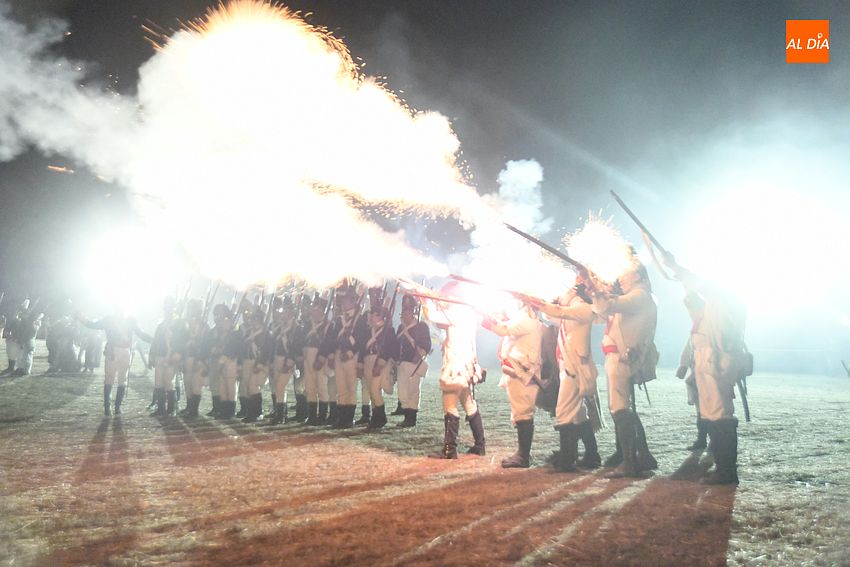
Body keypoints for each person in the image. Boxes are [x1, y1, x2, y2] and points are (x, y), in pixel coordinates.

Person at [669, 261, 748, 485]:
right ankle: (723, 469)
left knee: (720, 415)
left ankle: (726, 472)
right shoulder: (715, 302)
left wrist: (679, 269)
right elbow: (696, 297)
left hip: (718, 361)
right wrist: (682, 277)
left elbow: (704, 289)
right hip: (710, 361)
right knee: (713, 415)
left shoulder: (726, 299)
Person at [592, 265, 659, 478]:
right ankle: (641, 456)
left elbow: (610, 305)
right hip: (619, 358)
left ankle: (630, 463)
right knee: (622, 409)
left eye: (625, 273)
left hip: (622, 359)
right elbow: (602, 310)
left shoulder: (639, 296)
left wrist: (594, 286)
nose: (620, 277)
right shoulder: (637, 296)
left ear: (638, 275)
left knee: (620, 409)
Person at [533, 280, 602, 472]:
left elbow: (559, 312)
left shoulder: (582, 308)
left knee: (564, 412)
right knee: (578, 415)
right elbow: (551, 315)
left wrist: (543, 303)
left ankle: (567, 458)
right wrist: (543, 302)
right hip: (569, 366)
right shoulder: (572, 308)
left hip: (575, 368)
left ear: (572, 291)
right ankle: (591, 455)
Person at [423, 283, 486, 459]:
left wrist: (425, 299)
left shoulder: (455, 312)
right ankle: (480, 445)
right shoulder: (468, 313)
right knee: (469, 404)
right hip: (467, 365)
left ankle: (450, 449)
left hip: (456, 365)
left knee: (449, 405)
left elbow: (432, 316)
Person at [481, 300, 543, 468]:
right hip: (519, 370)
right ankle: (522, 454)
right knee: (520, 413)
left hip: (522, 372)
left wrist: (487, 318)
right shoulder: (525, 317)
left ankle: (523, 456)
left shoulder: (526, 318)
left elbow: (504, 329)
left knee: (523, 413)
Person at [79, 307, 152, 416]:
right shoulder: (125, 320)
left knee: (114, 379)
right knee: (116, 379)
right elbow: (141, 333)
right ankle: (113, 407)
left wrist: (82, 319)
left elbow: (92, 324)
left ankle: (112, 407)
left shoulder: (114, 319)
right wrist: (154, 340)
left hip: (118, 351)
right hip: (117, 351)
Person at [149, 298, 189, 417]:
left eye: (169, 308)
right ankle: (161, 408)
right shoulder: (161, 324)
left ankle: (171, 408)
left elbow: (183, 341)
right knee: (158, 382)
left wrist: (178, 355)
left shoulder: (180, 324)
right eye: (166, 308)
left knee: (168, 382)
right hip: (160, 356)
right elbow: (155, 341)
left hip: (172, 356)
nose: (167, 311)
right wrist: (151, 355)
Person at [395, 295, 431, 427]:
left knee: (413, 391)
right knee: (403, 392)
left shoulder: (421, 326)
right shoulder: (401, 328)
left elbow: (426, 345)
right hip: (402, 363)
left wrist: (420, 353)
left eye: (408, 310)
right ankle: (406, 416)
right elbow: (396, 344)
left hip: (414, 363)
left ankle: (411, 418)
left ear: (413, 311)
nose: (405, 313)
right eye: (404, 310)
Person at [362, 305, 398, 430]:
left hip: (381, 364)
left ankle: (381, 417)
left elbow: (391, 349)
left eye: (375, 314)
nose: (371, 316)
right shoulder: (369, 330)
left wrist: (380, 363)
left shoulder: (388, 331)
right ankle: (375, 417)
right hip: (369, 361)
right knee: (371, 391)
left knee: (374, 389)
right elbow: (363, 348)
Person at [302, 296, 332, 426]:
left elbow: (327, 344)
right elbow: (301, 341)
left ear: (322, 311)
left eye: (317, 309)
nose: (314, 311)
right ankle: (312, 415)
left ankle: (323, 416)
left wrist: (321, 358)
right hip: (308, 355)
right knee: (309, 387)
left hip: (320, 357)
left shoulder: (327, 325)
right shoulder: (308, 324)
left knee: (321, 387)